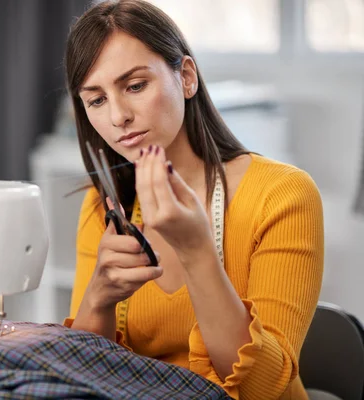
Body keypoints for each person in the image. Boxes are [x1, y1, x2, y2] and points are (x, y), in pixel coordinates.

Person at [62, 1, 324, 399]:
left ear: (186, 77)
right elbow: (82, 381)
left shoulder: (282, 195)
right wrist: (98, 296)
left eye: (135, 86)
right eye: (96, 100)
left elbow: (264, 388)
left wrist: (197, 251)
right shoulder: (104, 207)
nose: (118, 117)